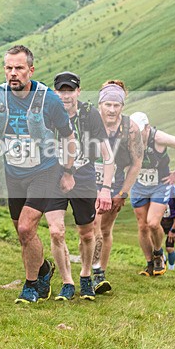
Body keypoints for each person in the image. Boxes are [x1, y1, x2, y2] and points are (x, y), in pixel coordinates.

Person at [0, 45, 77, 304]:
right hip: (14, 172)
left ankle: (32, 285)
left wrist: (67, 171)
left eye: (19, 68)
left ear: (30, 70)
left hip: (45, 171)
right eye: (9, 68)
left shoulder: (48, 100)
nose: (13, 73)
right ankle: (43, 269)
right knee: (22, 233)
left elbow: (68, 138)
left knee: (25, 227)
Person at [44, 72, 113, 301]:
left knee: (86, 233)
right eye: (61, 91)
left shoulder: (90, 115)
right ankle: (67, 282)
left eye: (70, 90)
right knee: (56, 231)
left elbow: (107, 154)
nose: (66, 95)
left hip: (83, 176)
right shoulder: (47, 114)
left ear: (78, 92)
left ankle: (85, 275)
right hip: (53, 176)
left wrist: (105, 188)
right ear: (55, 92)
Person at [91, 81, 144, 294]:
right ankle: (94, 273)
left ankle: (100, 271)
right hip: (90, 180)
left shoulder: (130, 128)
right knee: (93, 224)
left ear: (122, 106)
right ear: (100, 104)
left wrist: (123, 192)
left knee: (105, 229)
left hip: (116, 183)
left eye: (116, 105)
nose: (112, 110)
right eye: (108, 105)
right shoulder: (89, 121)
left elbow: (136, 161)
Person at [129, 111, 175, 277]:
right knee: (142, 226)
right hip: (139, 185)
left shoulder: (159, 138)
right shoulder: (128, 137)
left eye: (138, 131)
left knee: (153, 224)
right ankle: (150, 264)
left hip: (159, 185)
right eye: (132, 130)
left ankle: (158, 253)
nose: (134, 134)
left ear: (147, 127)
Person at [160, 184, 175, 270]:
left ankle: (171, 268)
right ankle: (162, 257)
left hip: (173, 221)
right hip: (160, 219)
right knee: (154, 243)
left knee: (169, 248)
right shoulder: (155, 190)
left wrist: (173, 230)